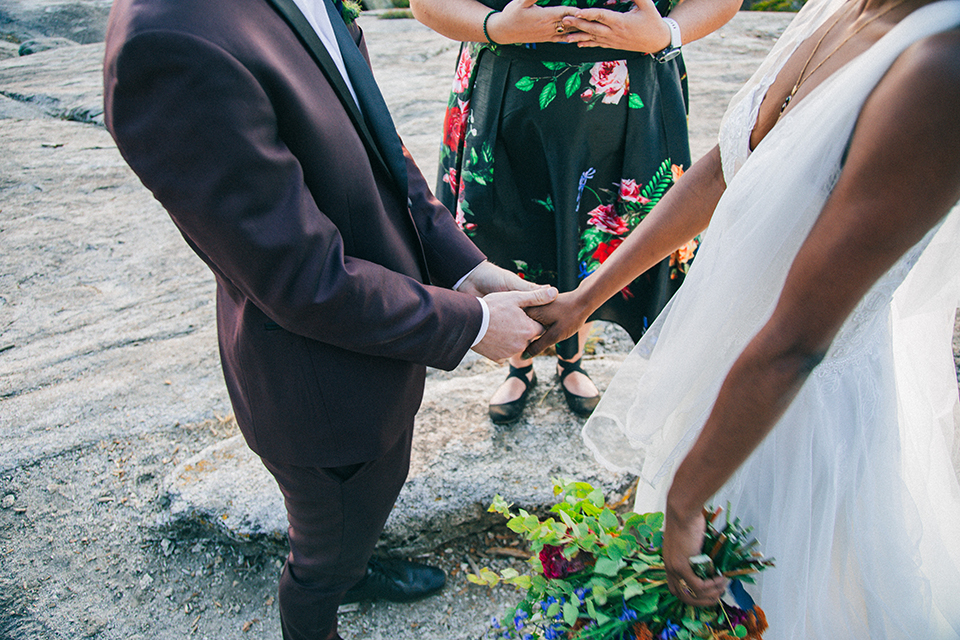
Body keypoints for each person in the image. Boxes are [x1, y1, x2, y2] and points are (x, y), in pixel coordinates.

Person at [102, 0, 558, 638]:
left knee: (362, 508)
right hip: (318, 387)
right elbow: (299, 277)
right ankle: (326, 594)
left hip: (378, 346)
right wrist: (473, 324)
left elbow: (384, 159)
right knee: (322, 550)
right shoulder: (170, 44)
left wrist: (465, 270)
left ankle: (357, 562)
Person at [524, 0, 960, 635]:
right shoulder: (837, 9)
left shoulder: (938, 69)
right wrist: (585, 297)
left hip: (800, 418)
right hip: (725, 376)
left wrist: (685, 496)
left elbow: (799, 342)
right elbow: (725, 169)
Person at [410, 0, 740, 424]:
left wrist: (668, 33)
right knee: (510, 231)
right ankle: (520, 362)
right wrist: (494, 25)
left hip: (628, 88)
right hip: (507, 77)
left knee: (599, 237)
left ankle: (572, 358)